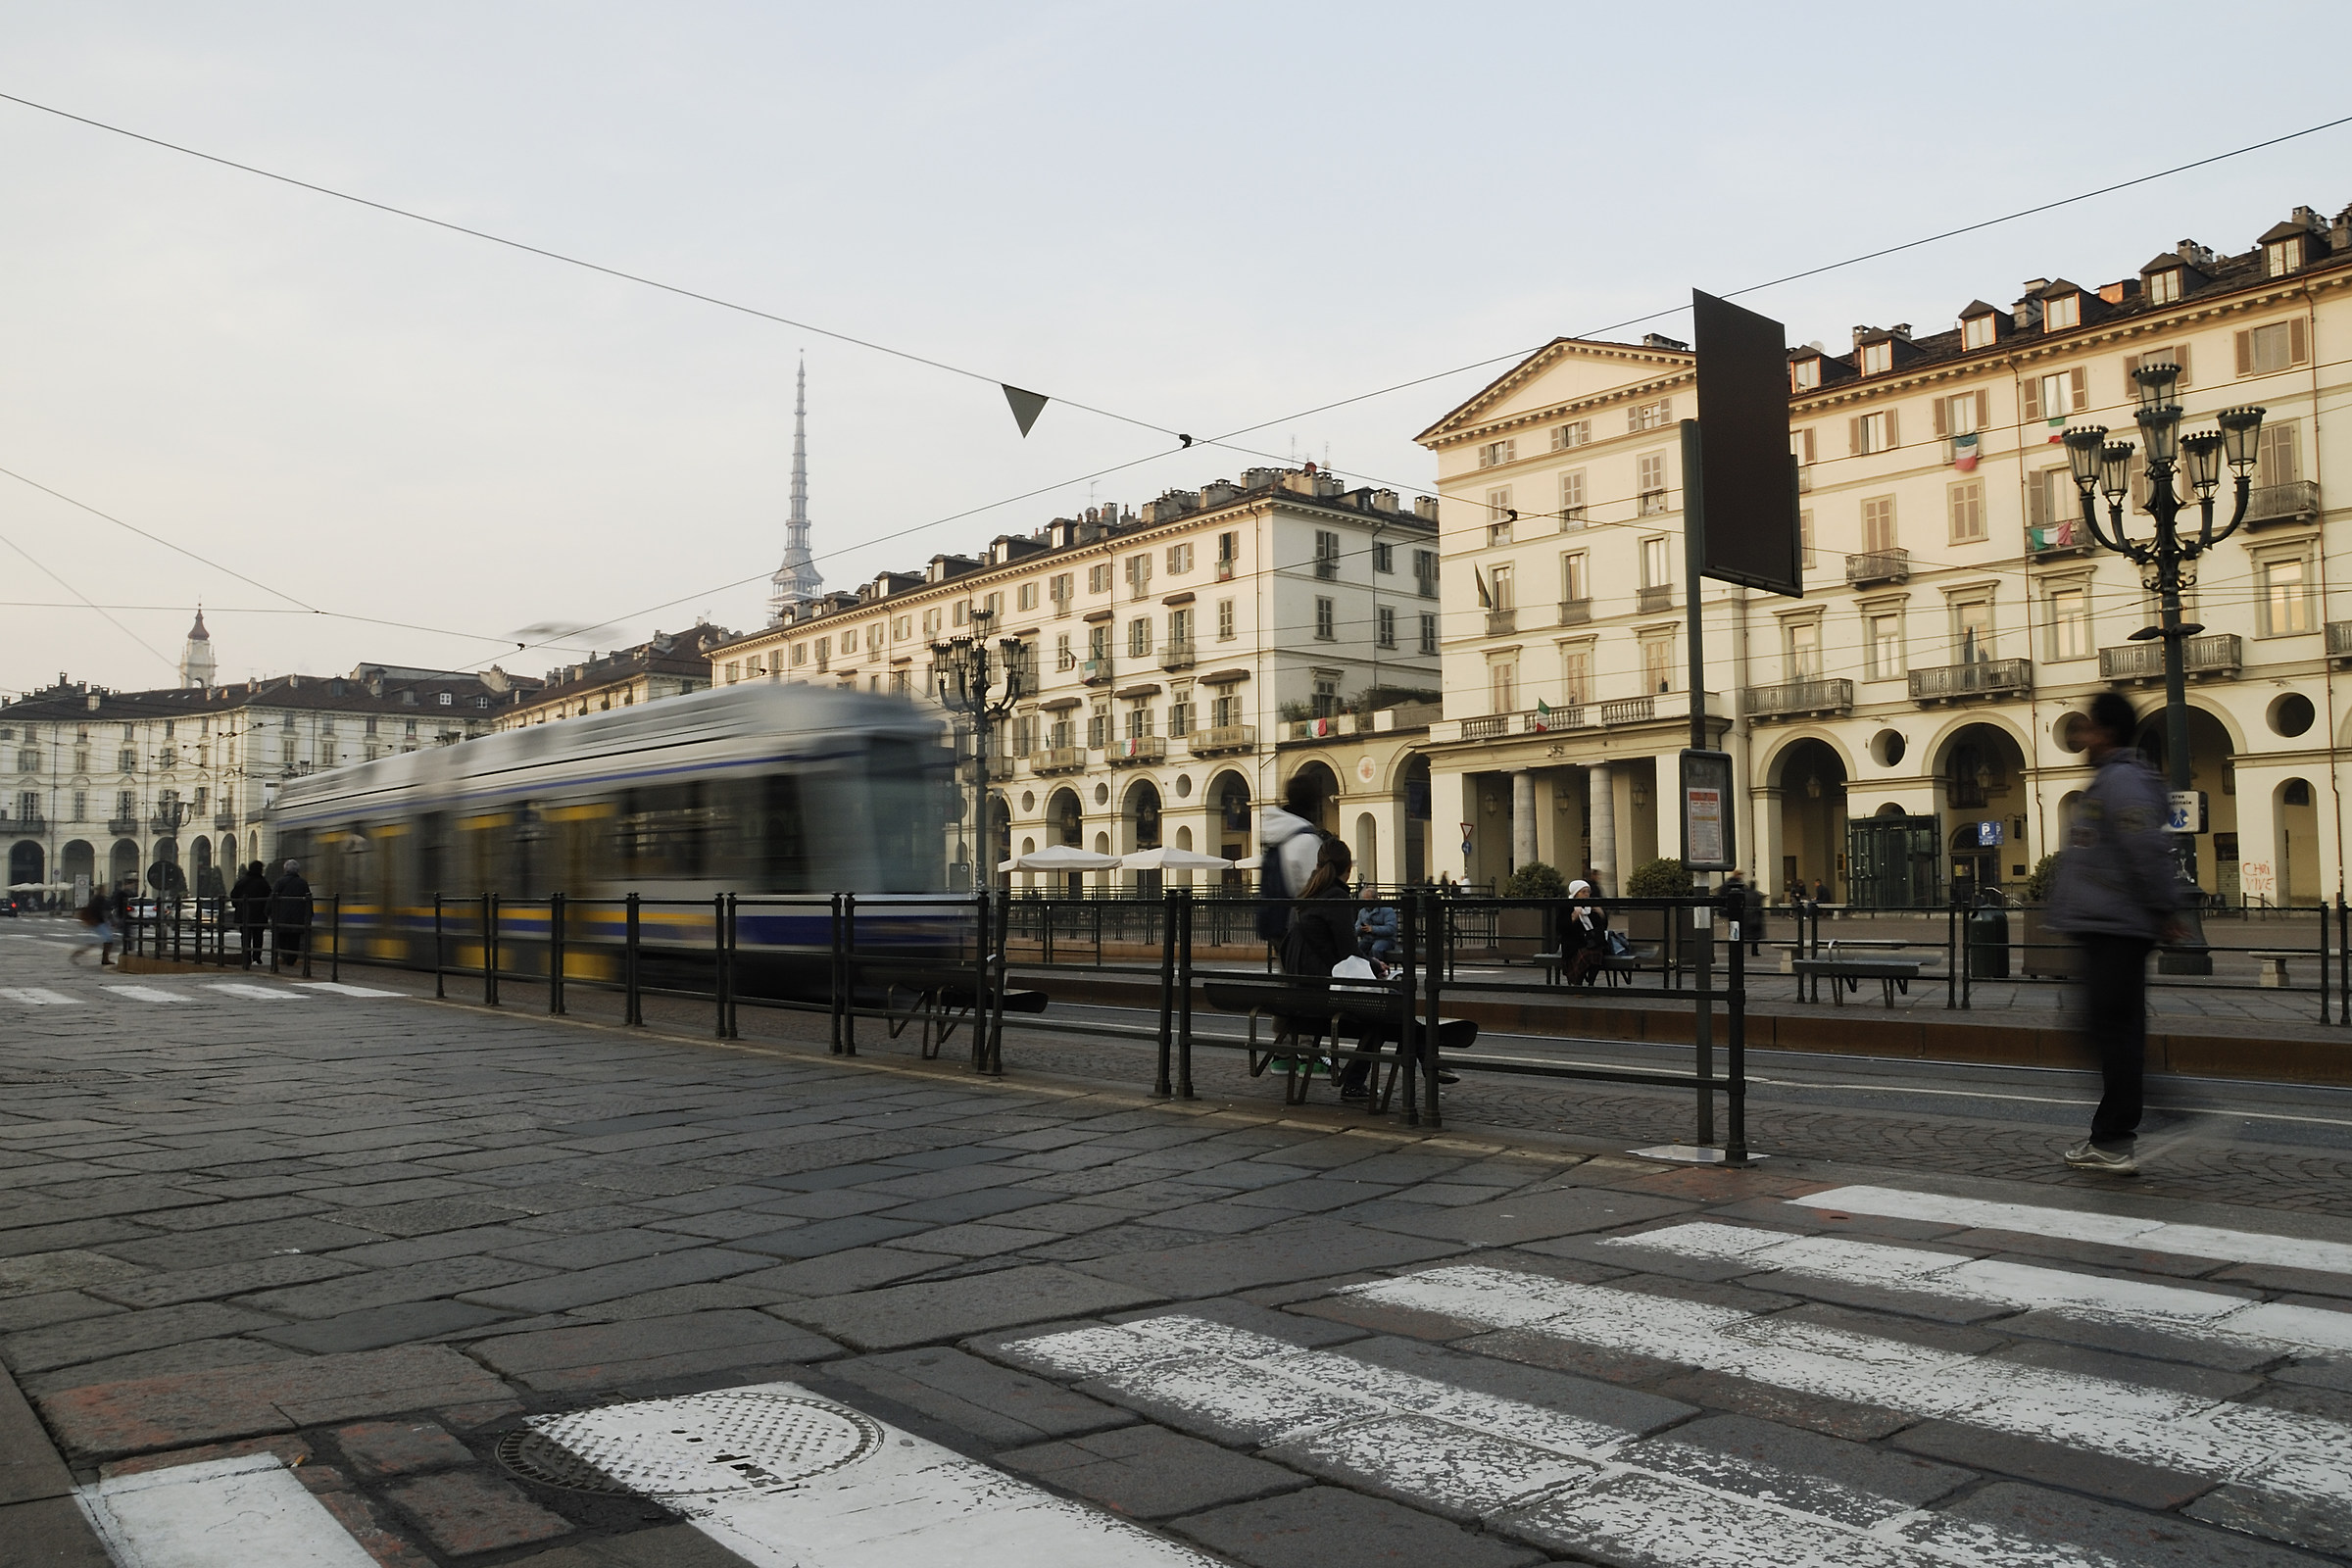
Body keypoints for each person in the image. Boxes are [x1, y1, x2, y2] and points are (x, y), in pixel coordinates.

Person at [2046, 691, 2183, 1176]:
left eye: (2086, 727)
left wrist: (2163, 907)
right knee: (2107, 1030)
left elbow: (2144, 846)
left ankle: (2119, 1136)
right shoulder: (2111, 779)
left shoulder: (2123, 781)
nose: (2080, 737)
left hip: (2118, 927)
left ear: (2105, 732)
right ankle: (2116, 1133)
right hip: (2108, 924)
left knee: (2111, 1032)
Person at [1256, 778, 1328, 944]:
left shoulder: (1277, 834)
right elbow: (1313, 886)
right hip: (1299, 926)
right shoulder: (1307, 840)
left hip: (1275, 922)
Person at [1561, 878, 1610, 986]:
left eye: (1588, 891)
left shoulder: (1591, 907)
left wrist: (1602, 915)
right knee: (1587, 954)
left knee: (1596, 953)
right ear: (1575, 893)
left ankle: (1591, 983)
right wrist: (1573, 918)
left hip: (1592, 942)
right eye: (1583, 892)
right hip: (1574, 944)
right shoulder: (1567, 906)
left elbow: (1601, 927)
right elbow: (1562, 929)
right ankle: (1578, 983)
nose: (1586, 894)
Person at [270, 859, 314, 971]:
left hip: (282, 917)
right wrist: (310, 914)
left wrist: (268, 912)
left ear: (285, 870)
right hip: (297, 918)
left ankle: (284, 956)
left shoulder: (280, 882)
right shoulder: (303, 883)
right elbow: (308, 899)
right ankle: (291, 959)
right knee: (294, 939)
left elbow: (272, 898)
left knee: (282, 938)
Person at [231, 860, 271, 968]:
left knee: (245, 937)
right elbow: (269, 897)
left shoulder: (242, 882)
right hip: (259, 914)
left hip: (244, 914)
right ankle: (257, 957)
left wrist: (239, 907)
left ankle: (246, 957)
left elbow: (234, 896)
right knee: (258, 936)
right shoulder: (263, 883)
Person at [68, 893, 116, 967]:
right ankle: (105, 959)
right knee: (107, 940)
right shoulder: (100, 901)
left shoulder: (94, 902)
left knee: (93, 943)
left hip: (96, 924)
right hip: (98, 924)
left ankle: (75, 955)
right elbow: (101, 914)